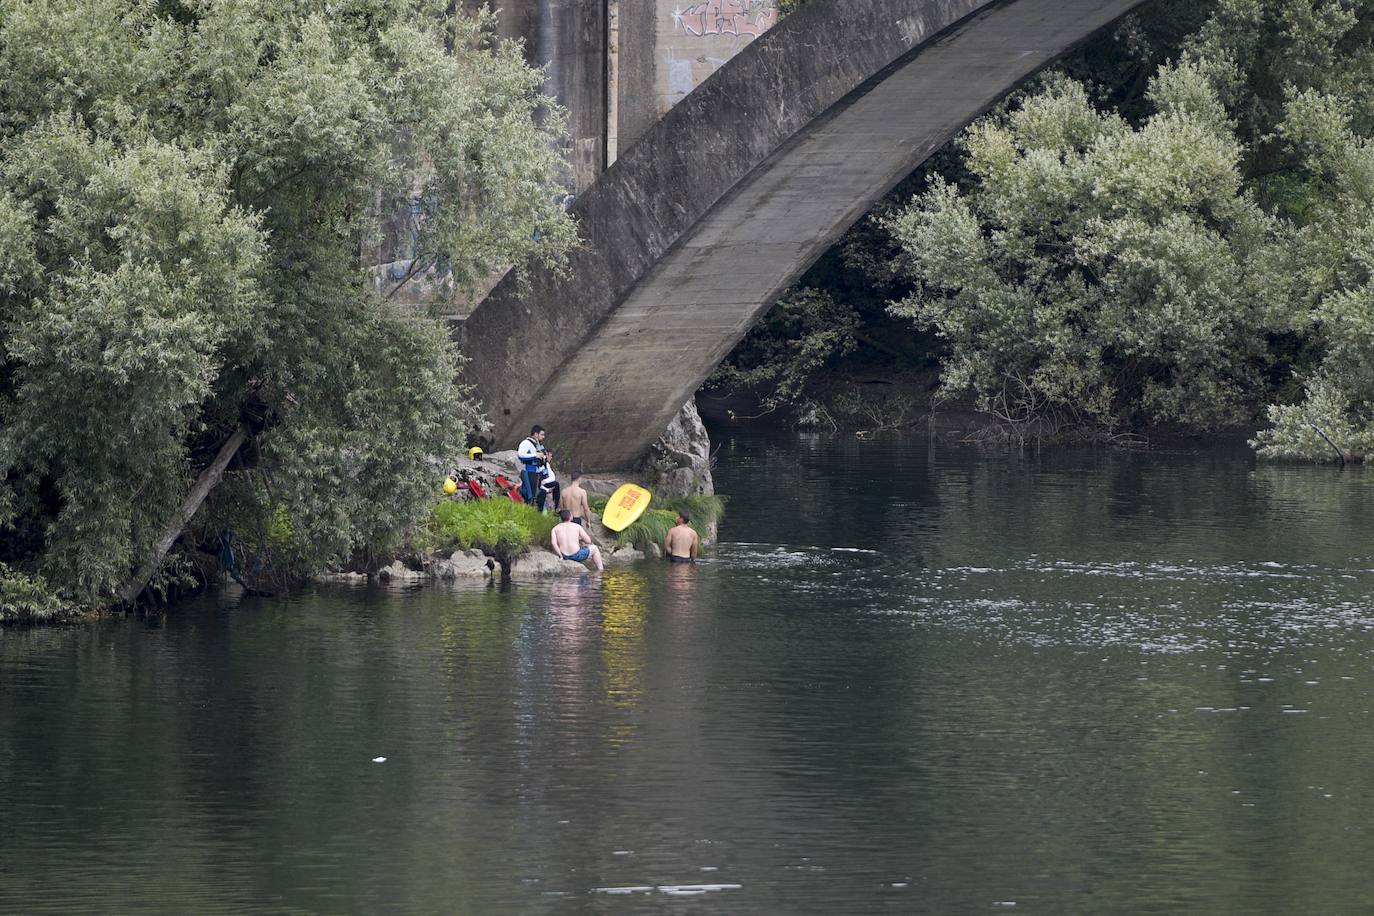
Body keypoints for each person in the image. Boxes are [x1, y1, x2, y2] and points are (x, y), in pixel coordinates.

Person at [517, 425, 549, 506]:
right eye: (542, 434)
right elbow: (520, 455)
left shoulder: (538, 445)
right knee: (530, 496)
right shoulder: (526, 443)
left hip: (536, 472)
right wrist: (535, 455)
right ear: (536, 434)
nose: (543, 437)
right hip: (528, 472)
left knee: (536, 494)